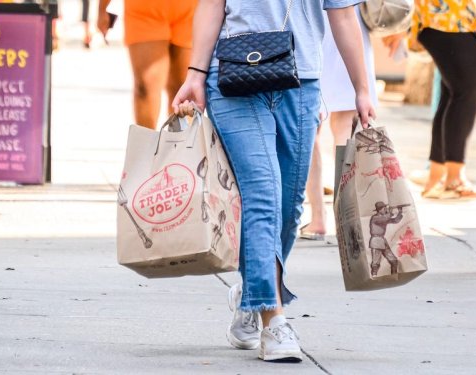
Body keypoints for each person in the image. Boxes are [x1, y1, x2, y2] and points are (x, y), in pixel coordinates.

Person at [172, 0, 376, 362]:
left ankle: (253, 290)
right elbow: (210, 6)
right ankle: (273, 318)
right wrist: (195, 73)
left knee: (288, 206)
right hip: (232, 75)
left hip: (301, 80)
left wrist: (363, 89)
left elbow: (344, 15)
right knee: (262, 194)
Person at [391, 0, 476, 199]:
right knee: (467, 93)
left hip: (474, 16)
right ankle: (454, 177)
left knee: (454, 93)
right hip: (450, 15)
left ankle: (437, 176)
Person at [300, 6, 378, 240]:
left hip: (309, 27)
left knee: (308, 126)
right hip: (348, 26)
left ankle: (318, 218)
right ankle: (346, 219)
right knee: (344, 126)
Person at [98, 0, 197, 129]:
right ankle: (147, 147)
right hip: (144, 10)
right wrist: (102, 8)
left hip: (192, 9)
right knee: (146, 88)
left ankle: (182, 147)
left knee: (184, 91)